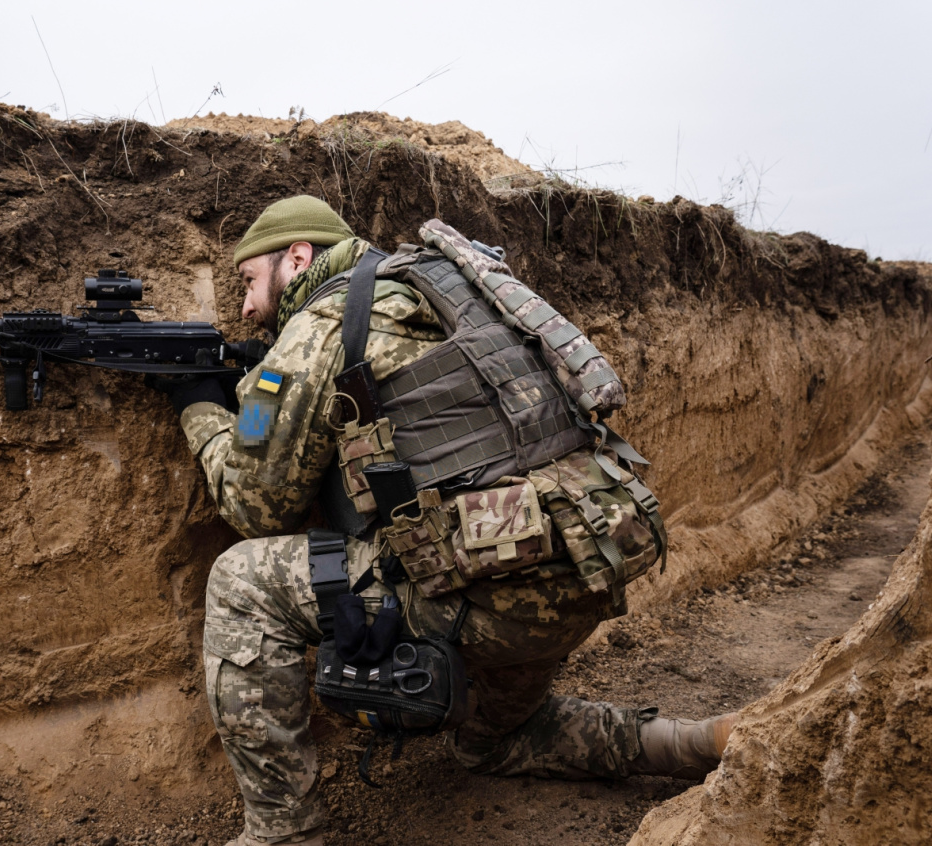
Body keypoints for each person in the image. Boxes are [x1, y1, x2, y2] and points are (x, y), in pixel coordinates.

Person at [163, 196, 736, 846]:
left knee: (240, 583)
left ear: (297, 258)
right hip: (582, 570)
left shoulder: (319, 326)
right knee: (500, 740)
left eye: (248, 281)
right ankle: (684, 741)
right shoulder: (447, 285)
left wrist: (202, 407)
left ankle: (282, 832)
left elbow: (253, 504)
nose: (245, 307)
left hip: (489, 599)